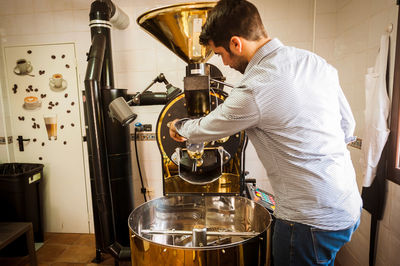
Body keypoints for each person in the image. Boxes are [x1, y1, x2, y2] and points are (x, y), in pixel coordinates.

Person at [169, 0, 362, 265]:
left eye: (220, 53)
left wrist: (179, 126)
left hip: (307, 221)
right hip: (347, 205)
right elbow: (347, 125)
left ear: (236, 43)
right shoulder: (315, 62)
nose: (224, 63)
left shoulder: (255, 86)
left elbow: (206, 127)